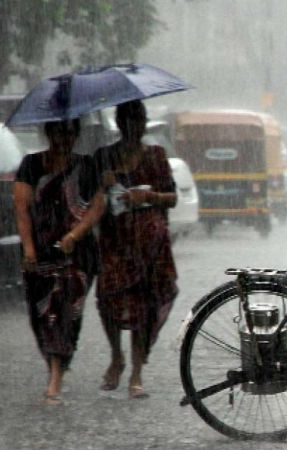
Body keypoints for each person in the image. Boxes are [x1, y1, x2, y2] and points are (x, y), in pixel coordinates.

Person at [91, 100, 178, 399]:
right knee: (108, 298)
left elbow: (172, 198)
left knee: (144, 306)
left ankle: (137, 374)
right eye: (128, 120)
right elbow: (90, 201)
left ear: (143, 123)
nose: (134, 126)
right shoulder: (104, 156)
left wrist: (149, 195)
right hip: (114, 242)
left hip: (149, 245)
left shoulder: (156, 156)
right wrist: (103, 184)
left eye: (138, 119)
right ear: (119, 122)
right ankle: (117, 356)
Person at [13, 119, 102, 405]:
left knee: (65, 312)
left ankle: (55, 378)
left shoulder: (86, 166)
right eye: (59, 132)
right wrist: (28, 248)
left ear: (76, 134)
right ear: (48, 133)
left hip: (77, 256)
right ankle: (55, 362)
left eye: (70, 132)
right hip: (40, 254)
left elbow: (97, 205)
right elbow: (22, 209)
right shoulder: (31, 165)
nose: (65, 138)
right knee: (41, 316)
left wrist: (75, 234)